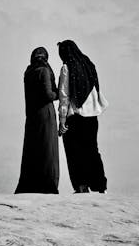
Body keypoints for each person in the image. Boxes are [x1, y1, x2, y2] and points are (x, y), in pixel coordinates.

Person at [57, 39, 108, 193]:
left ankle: (81, 186)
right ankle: (100, 186)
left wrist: (62, 120)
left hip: (75, 117)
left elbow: (64, 95)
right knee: (92, 150)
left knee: (74, 153)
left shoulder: (67, 68)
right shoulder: (89, 65)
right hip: (92, 117)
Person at [15, 46, 60, 194]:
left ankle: (31, 185)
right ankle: (48, 185)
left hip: (32, 116)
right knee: (48, 150)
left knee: (33, 150)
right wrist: (59, 94)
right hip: (45, 114)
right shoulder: (44, 70)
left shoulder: (28, 72)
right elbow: (48, 95)